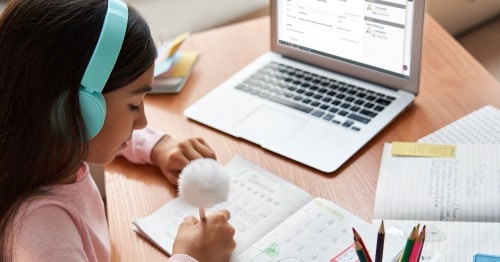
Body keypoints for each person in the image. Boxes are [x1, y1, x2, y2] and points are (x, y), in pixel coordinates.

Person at [0, 0, 236, 261]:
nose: (143, 121)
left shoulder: (42, 150)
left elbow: (103, 132)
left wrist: (157, 146)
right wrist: (191, 257)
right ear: (80, 109)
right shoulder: (44, 236)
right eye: (134, 105)